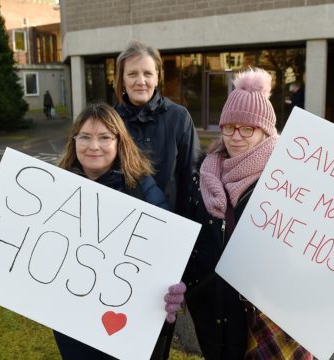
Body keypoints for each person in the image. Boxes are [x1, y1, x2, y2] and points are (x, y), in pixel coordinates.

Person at [182, 68, 334, 359]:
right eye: (229, 127)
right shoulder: (204, 176)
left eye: (247, 128)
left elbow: (332, 240)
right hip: (217, 321)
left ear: (266, 131)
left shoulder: (293, 179)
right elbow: (193, 247)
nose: (236, 136)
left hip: (275, 320)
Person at [0, 103, 187, 359]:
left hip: (126, 326)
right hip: (71, 322)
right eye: (85, 137)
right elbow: (25, 248)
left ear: (120, 141)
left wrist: (171, 288)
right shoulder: (52, 190)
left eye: (104, 137)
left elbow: (165, 253)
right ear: (74, 140)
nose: (93, 146)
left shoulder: (144, 188)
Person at [113, 40, 201, 358]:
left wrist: (187, 246)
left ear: (158, 76)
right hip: (116, 244)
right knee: (116, 328)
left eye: (147, 73)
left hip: (165, 244)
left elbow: (191, 180)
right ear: (120, 79)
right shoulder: (109, 120)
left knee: (157, 332)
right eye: (132, 74)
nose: (141, 81)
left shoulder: (179, 118)